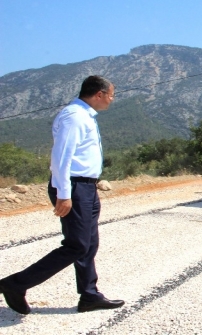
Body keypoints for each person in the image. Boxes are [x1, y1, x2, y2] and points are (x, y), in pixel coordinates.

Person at [0, 75, 124, 315]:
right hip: (73, 187)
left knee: (89, 244)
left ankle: (89, 296)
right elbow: (61, 158)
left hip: (86, 187)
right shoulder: (75, 117)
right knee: (76, 245)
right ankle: (15, 285)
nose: (111, 100)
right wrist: (64, 194)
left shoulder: (84, 115)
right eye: (111, 95)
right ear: (99, 94)